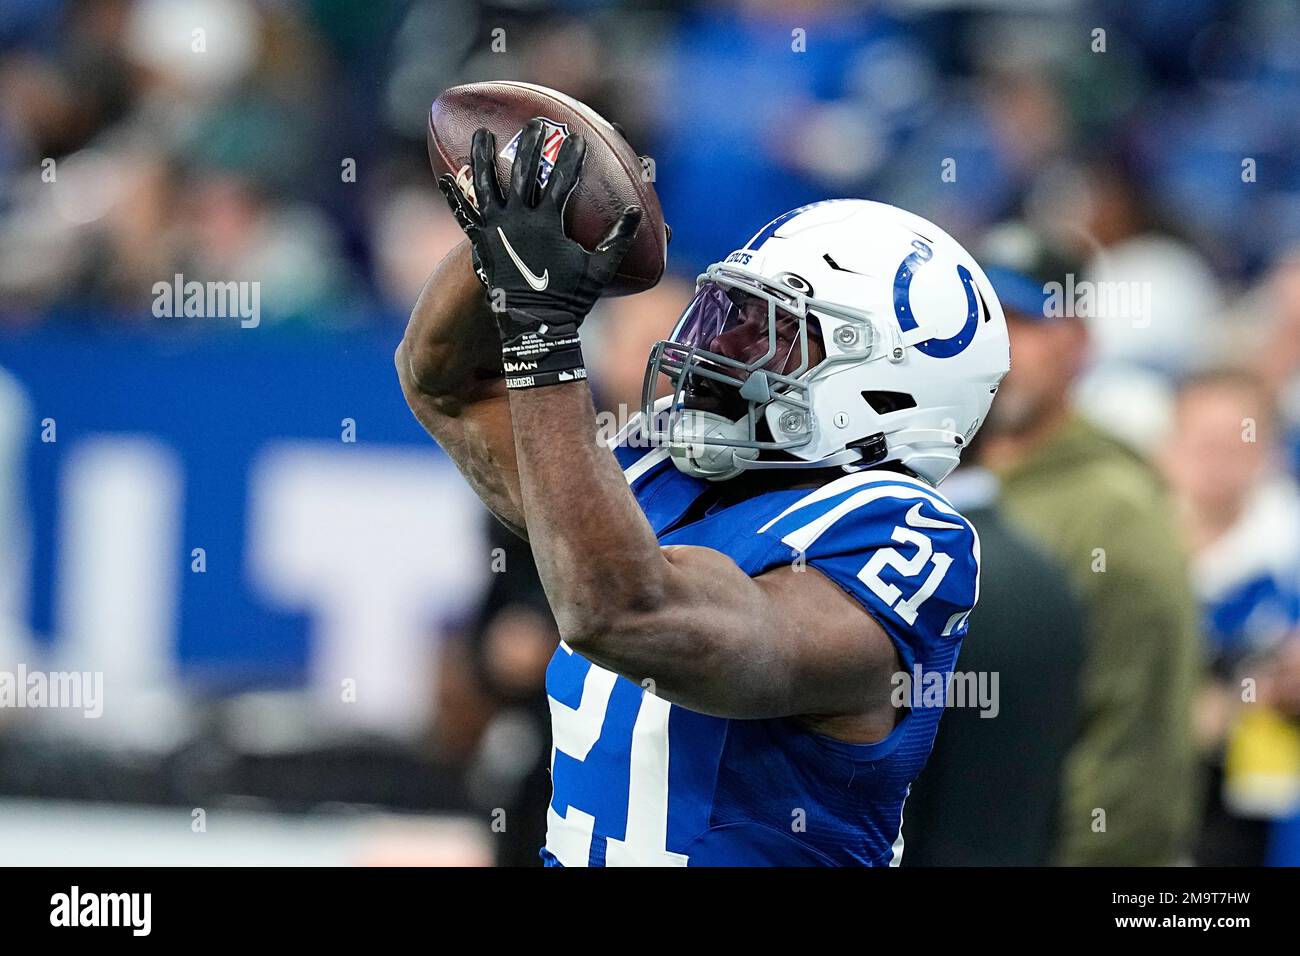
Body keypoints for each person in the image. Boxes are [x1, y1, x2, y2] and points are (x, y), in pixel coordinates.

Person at [396, 119, 1009, 865]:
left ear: (887, 388)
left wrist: (540, 330)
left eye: (767, 333)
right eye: (728, 315)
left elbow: (629, 615)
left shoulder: (898, 532)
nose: (718, 348)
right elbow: (449, 384)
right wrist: (509, 233)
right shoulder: (662, 474)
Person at [976, 223, 1202, 865]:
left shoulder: (1114, 510)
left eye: (1024, 324)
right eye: (984, 319)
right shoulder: (933, 475)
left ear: (1079, 344)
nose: (998, 346)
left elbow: (1135, 750)